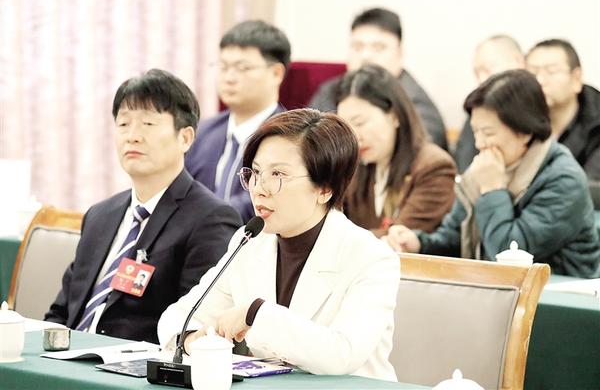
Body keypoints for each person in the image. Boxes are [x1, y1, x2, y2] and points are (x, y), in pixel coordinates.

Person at [158, 109, 400, 381]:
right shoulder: (249, 242)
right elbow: (179, 316)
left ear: (325, 189)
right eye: (255, 173)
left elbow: (342, 354)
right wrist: (193, 340)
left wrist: (255, 313)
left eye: (278, 175)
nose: (259, 189)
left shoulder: (372, 257)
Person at [45, 69, 242, 343]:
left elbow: (194, 326)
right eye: (124, 124)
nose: (132, 136)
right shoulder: (100, 216)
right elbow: (61, 312)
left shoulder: (211, 219)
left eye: (148, 123)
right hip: (66, 356)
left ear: (185, 138)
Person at [385, 70, 600, 279]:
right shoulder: (487, 168)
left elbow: (509, 257)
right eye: (475, 132)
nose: (479, 143)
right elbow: (455, 239)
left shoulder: (563, 179)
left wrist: (493, 190)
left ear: (525, 131)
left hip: (562, 295)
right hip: (495, 291)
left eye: (488, 133)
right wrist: (419, 244)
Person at [185, 20, 290, 222]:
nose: (229, 78)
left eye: (243, 68)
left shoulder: (290, 138)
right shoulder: (202, 131)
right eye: (223, 67)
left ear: (276, 73)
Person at [337, 65, 455, 235]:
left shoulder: (434, 167)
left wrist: (340, 241)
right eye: (346, 126)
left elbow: (399, 239)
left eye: (360, 123)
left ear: (394, 116)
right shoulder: (356, 166)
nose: (354, 136)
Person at [308, 7, 448, 150]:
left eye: (378, 48)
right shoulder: (329, 91)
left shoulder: (418, 107)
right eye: (357, 47)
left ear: (400, 54)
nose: (366, 56)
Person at [526, 38, 600, 180]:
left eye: (551, 71)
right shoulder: (516, 120)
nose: (540, 80)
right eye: (533, 72)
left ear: (576, 79)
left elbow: (590, 187)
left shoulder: (596, 127)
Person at [454, 35, 525, 172]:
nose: (481, 80)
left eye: (487, 70)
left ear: (518, 61)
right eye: (477, 73)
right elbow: (464, 166)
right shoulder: (478, 111)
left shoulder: (542, 106)